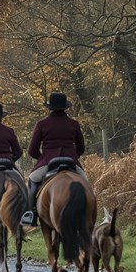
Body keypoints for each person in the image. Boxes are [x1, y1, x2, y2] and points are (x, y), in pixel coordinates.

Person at [21, 92, 87, 226]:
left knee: (33, 180)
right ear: (65, 107)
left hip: (48, 162)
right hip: (70, 161)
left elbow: (32, 150)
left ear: (49, 108)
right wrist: (73, 156)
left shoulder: (42, 124)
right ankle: (88, 215)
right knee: (86, 184)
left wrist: (43, 158)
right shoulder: (73, 124)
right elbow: (81, 147)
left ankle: (31, 213)